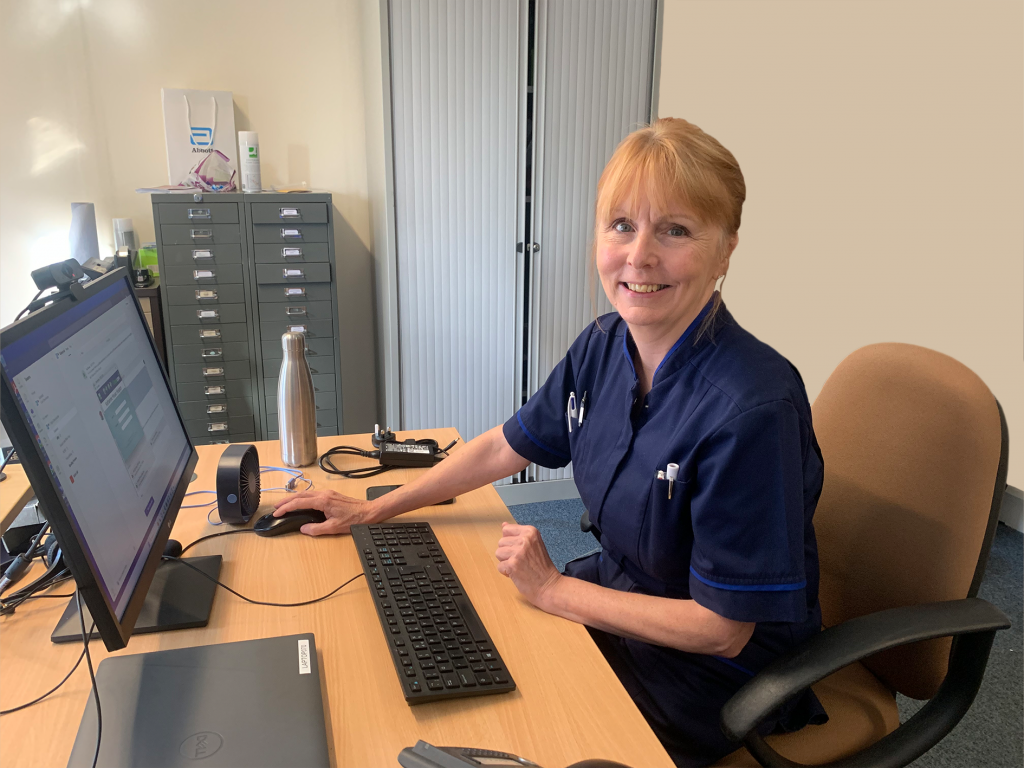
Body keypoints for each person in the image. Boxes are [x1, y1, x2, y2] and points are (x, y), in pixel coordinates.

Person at [274, 118, 827, 767]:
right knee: (452, 667)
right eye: (621, 225)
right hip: (619, 601)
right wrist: (374, 508)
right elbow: (505, 447)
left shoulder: (751, 407)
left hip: (714, 680)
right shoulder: (603, 345)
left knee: (521, 729)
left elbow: (722, 630)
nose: (639, 256)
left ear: (726, 249)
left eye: (675, 230)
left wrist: (552, 592)